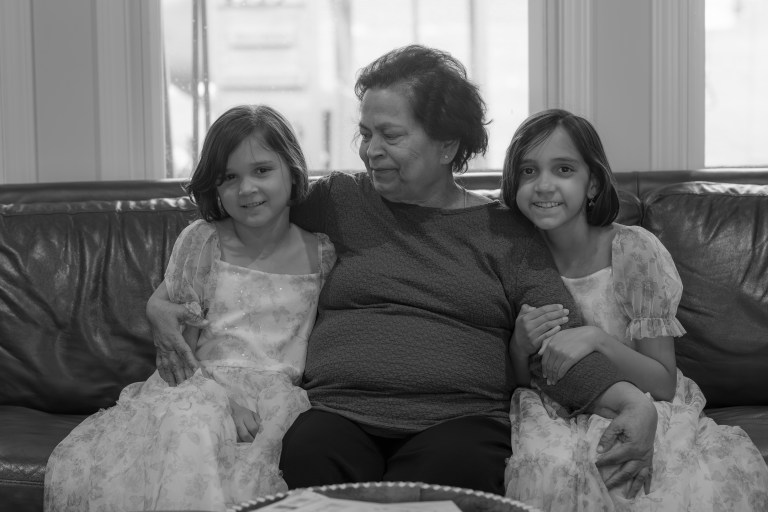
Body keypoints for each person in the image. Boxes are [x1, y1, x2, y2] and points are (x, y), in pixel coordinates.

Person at [147, 45, 657, 496]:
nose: (371, 150)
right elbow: (243, 211)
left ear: (447, 145)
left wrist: (633, 404)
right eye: (365, 133)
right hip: (338, 412)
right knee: (309, 452)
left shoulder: (507, 233)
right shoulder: (338, 200)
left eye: (390, 135)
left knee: (450, 474)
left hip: (459, 419)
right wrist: (159, 303)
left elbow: (559, 342)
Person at [44, 105, 336, 511]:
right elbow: (180, 351)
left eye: (262, 170)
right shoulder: (203, 242)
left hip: (277, 401)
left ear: (293, 169)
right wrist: (222, 403)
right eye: (229, 177)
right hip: (197, 386)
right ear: (214, 188)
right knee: (193, 428)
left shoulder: (321, 253)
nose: (247, 189)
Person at [501, 108, 768, 511]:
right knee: (555, 471)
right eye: (528, 171)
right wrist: (519, 348)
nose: (543, 185)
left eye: (564, 169)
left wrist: (596, 340)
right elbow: (527, 384)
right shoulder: (513, 259)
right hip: (555, 412)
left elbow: (662, 382)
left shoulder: (632, 251)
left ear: (593, 183)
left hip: (645, 399)